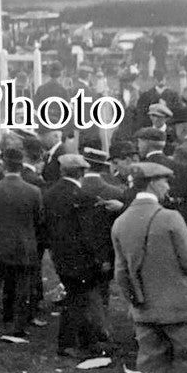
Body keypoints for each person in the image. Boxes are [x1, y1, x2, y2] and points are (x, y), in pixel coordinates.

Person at [111, 162, 187, 373]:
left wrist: (137, 302)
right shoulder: (171, 218)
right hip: (180, 309)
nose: (168, 186)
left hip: (145, 311)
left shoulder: (120, 222)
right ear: (153, 184)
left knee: (150, 367)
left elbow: (121, 273)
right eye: (165, 181)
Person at [45, 153, 122, 358]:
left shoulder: (50, 193)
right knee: (77, 301)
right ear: (82, 172)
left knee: (78, 298)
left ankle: (89, 340)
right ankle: (68, 344)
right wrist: (101, 258)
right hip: (80, 258)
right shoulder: (82, 197)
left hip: (60, 255)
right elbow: (88, 233)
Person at [0, 146, 44, 339]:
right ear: (20, 166)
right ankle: (19, 325)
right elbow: (39, 219)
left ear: (4, 167)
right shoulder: (34, 191)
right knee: (23, 287)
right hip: (24, 245)